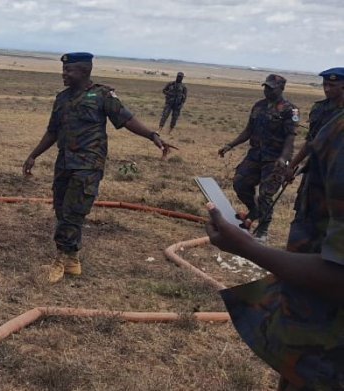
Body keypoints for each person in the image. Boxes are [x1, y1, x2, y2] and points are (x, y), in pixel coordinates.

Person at [205, 67, 344, 390]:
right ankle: (254, 218)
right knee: (243, 184)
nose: (329, 89)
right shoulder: (327, 118)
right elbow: (310, 144)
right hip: (314, 331)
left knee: (265, 195)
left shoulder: (303, 115)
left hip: (328, 347)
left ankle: (260, 224)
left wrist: (247, 247)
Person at [22, 52, 176, 283]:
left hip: (88, 165)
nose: (64, 74)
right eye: (63, 70)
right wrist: (33, 155)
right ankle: (72, 261)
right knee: (62, 209)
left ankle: (59, 261)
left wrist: (152, 136)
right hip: (64, 162)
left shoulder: (102, 95)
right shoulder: (62, 98)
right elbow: (53, 131)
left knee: (73, 213)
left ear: (84, 72)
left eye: (69, 70)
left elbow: (126, 120)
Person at [218, 74, 298, 243]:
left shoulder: (289, 110)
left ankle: (263, 228)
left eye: (271, 88)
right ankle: (253, 211)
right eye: (265, 87)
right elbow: (248, 131)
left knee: (265, 194)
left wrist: (284, 159)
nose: (267, 91)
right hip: (255, 155)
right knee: (240, 183)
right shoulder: (258, 106)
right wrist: (230, 145)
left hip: (275, 158)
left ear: (281, 89)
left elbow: (290, 139)